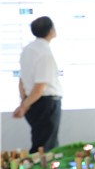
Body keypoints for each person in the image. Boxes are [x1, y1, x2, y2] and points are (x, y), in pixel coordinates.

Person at [13, 16, 63, 154]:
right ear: (51, 30)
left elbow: (22, 80)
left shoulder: (27, 50)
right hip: (45, 104)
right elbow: (39, 87)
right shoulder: (44, 53)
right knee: (45, 148)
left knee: (41, 142)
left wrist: (24, 102)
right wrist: (24, 106)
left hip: (33, 103)